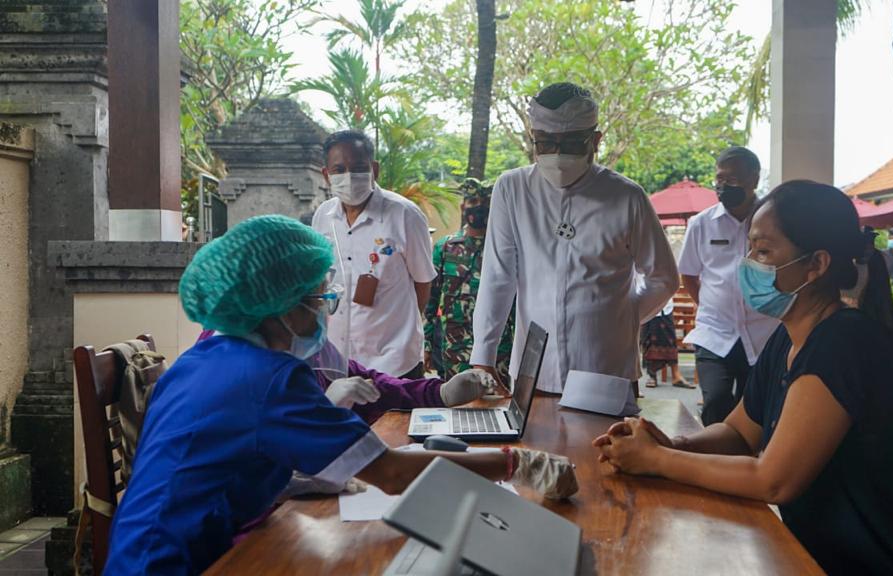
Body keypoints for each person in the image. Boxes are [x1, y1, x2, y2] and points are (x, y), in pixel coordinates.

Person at [106, 215, 578, 574]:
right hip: (180, 563)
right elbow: (392, 473)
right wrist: (516, 463)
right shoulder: (269, 377)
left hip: (143, 553)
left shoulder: (202, 359)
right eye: (318, 299)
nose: (325, 311)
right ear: (278, 307)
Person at [593, 181, 893, 575]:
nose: (748, 263)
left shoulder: (842, 342)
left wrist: (658, 460)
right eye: (750, 249)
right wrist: (672, 444)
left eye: (763, 251)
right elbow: (739, 433)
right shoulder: (788, 336)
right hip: (831, 559)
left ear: (817, 264)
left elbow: (773, 481)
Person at [470, 82, 679, 394]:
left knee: (608, 430)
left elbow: (664, 278)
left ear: (595, 140)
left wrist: (621, 318)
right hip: (535, 371)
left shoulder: (626, 196)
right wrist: (483, 357)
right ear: (533, 137)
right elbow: (498, 277)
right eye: (546, 143)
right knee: (532, 430)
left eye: (570, 144)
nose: (557, 155)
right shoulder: (512, 189)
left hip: (607, 367)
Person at [312, 130, 435, 380]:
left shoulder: (404, 215)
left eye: (359, 168)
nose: (349, 177)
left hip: (393, 362)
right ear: (326, 175)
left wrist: (400, 329)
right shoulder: (323, 217)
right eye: (339, 170)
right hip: (336, 360)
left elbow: (423, 283)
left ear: (374, 170)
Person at [194, 329, 497, 425]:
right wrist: (323, 413)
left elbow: (367, 382)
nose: (323, 310)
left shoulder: (302, 341)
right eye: (315, 298)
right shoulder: (225, 363)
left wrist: (438, 393)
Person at [677, 147, 779, 425]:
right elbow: (689, 275)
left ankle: (750, 453)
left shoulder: (775, 223)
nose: (723, 186)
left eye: (732, 180)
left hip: (763, 333)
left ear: (754, 179)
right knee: (716, 400)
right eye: (719, 179)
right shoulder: (701, 224)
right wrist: (711, 305)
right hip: (714, 331)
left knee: (756, 410)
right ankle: (714, 450)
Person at [424, 178, 515, 382]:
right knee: (456, 398)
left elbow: (517, 304)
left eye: (485, 203)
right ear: (463, 206)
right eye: (473, 202)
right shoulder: (445, 248)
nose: (479, 208)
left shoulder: (506, 249)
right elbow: (430, 302)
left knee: (497, 397)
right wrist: (427, 345)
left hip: (498, 348)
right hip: (455, 348)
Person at [640, 300, 692, 389]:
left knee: (671, 340)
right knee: (649, 341)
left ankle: (676, 375)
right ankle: (652, 376)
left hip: (665, 306)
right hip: (647, 305)